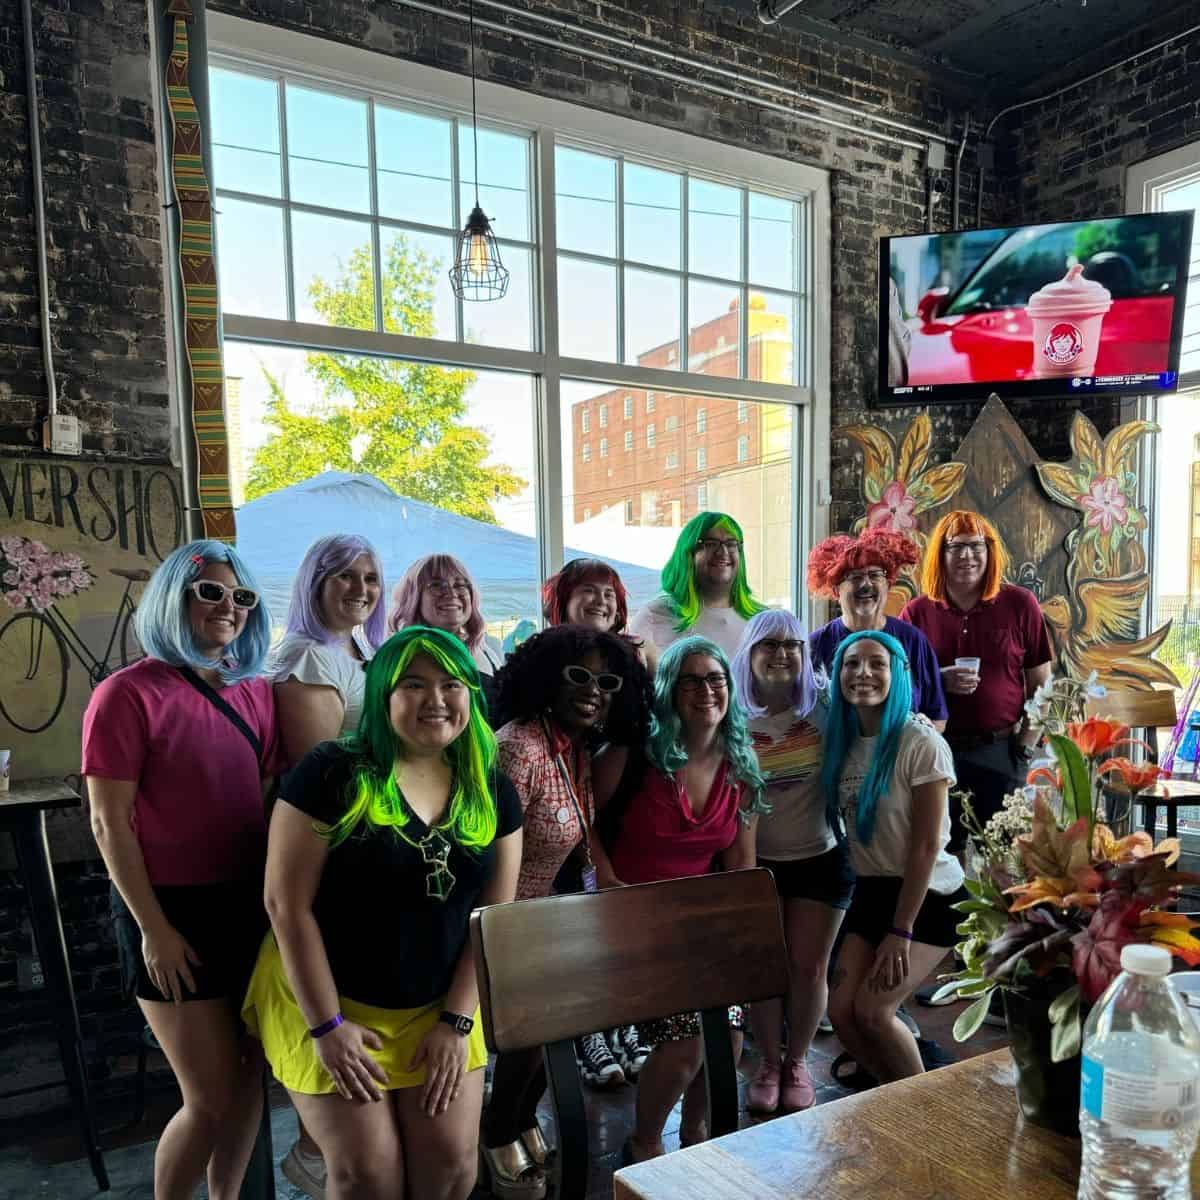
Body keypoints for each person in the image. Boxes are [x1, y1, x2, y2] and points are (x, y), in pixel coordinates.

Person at [243, 626, 522, 1200]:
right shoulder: (332, 772)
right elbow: (286, 906)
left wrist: (456, 1022)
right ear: (382, 695)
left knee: (450, 1168)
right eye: (413, 684)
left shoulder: (490, 783)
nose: (436, 700)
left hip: (439, 1005)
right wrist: (326, 1028)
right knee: (370, 1175)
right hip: (325, 1001)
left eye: (451, 684)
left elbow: (493, 913)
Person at [84, 540, 279, 1200]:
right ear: (176, 597)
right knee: (210, 1094)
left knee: (250, 1074)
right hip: (169, 910)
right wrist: (154, 929)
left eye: (242, 597)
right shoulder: (125, 695)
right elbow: (110, 823)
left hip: (246, 907)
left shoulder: (254, 694)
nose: (229, 607)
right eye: (211, 593)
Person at [481, 625, 652, 1199]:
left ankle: (518, 1121)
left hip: (549, 911)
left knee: (543, 1039)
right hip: (508, 916)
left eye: (606, 681)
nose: (594, 690)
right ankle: (497, 1132)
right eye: (578, 676)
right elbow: (485, 852)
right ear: (546, 680)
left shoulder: (571, 746)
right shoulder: (517, 747)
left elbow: (579, 833)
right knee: (529, 1038)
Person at [604, 636, 765, 1163]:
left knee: (731, 1042)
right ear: (670, 689)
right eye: (691, 679)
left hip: (700, 925)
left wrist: (736, 941)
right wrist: (606, 880)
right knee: (686, 1046)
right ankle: (645, 1145)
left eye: (716, 679)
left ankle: (696, 1138)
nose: (705, 690)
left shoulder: (741, 764)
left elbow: (741, 865)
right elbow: (581, 828)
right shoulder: (631, 757)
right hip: (629, 923)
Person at [267, 534, 387, 1197]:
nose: (360, 588)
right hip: (331, 848)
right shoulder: (309, 657)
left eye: (369, 577)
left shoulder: (358, 650)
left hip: (367, 842)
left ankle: (329, 1147)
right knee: (331, 995)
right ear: (314, 582)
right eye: (344, 576)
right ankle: (318, 1152)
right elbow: (322, 777)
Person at [822, 630, 968, 1086]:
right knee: (841, 1012)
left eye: (876, 664)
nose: (862, 673)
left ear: (897, 674)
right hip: (872, 889)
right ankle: (888, 1096)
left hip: (926, 895)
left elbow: (926, 846)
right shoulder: (842, 741)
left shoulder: (920, 742)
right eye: (851, 663)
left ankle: (921, 1114)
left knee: (875, 1011)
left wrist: (900, 930)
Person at [730, 610, 852, 1115]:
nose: (782, 654)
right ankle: (767, 1062)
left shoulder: (826, 706)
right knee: (766, 970)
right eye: (769, 645)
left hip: (821, 856)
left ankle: (797, 1061)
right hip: (758, 864)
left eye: (793, 645)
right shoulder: (731, 713)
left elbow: (878, 718)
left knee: (809, 967)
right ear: (749, 655)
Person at [541, 557, 650, 1086]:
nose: (601, 600)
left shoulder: (635, 663)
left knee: (615, 924)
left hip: (619, 816)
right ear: (560, 601)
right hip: (558, 820)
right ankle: (587, 1031)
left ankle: (621, 1020)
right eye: (588, 590)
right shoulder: (543, 662)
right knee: (574, 929)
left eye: (610, 592)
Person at [899, 511, 1052, 854]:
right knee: (939, 854)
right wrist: (939, 680)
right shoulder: (917, 612)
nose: (967, 556)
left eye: (976, 546)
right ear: (940, 554)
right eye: (955, 547)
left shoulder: (1020, 604)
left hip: (1000, 750)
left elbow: (1041, 682)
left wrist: (1025, 746)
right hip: (934, 751)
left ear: (989, 551)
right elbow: (898, 685)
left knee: (1005, 856)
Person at [807, 527, 946, 728]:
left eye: (875, 575)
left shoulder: (913, 640)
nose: (866, 583)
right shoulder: (816, 645)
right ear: (837, 589)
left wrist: (926, 730)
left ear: (888, 584)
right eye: (854, 577)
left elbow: (938, 716)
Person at [628, 512, 767, 670]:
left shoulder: (762, 620)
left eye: (731, 543)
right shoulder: (654, 616)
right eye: (711, 543)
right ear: (687, 553)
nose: (723, 552)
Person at [388, 554, 505, 716]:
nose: (451, 593)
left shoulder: (489, 649)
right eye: (436, 585)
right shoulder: (403, 655)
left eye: (460, 585)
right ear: (414, 597)